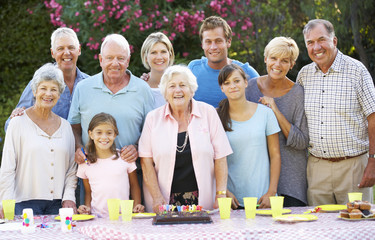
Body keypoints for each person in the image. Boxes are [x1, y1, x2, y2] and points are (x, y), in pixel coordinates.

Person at [297, 19, 375, 205]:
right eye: (310, 42)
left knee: (356, 228)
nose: (316, 47)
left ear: (334, 41)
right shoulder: (304, 75)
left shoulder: (357, 71)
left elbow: (373, 117)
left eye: (321, 39)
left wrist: (373, 161)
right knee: (318, 230)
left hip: (353, 166)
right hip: (316, 168)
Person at [139, 65, 232, 213]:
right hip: (163, 202)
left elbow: (221, 156)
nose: (178, 90)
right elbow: (146, 162)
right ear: (164, 92)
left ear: (191, 90)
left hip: (203, 200)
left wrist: (220, 195)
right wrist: (156, 197)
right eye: (172, 86)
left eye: (183, 85)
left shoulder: (208, 113)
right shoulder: (153, 119)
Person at [0, 63, 77, 218]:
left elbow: (71, 169)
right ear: (34, 91)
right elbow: (8, 167)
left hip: (58, 205)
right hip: (22, 206)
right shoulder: (17, 123)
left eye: (54, 89)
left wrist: (69, 197)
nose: (48, 94)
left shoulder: (66, 127)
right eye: (43, 88)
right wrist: (5, 202)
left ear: (59, 94)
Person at [68, 33, 154, 164]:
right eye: (109, 58)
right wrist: (78, 147)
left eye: (120, 58)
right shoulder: (83, 88)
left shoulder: (143, 89)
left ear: (128, 61)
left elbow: (151, 130)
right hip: (91, 171)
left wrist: (137, 147)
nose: (115, 63)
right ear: (101, 60)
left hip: (131, 172)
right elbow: (74, 127)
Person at [246, 37, 309, 207]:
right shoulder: (249, 88)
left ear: (292, 64)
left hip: (290, 182)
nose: (277, 65)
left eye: (284, 61)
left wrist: (275, 109)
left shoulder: (298, 94)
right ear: (266, 58)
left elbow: (302, 141)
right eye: (273, 58)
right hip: (255, 180)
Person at [217, 64, 281, 209]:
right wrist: (224, 192)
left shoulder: (266, 113)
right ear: (222, 88)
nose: (232, 86)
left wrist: (271, 192)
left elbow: (275, 155)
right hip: (232, 201)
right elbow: (212, 160)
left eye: (236, 81)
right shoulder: (217, 117)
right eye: (227, 83)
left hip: (263, 200)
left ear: (246, 83)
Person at [4, 27, 89, 131]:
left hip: (80, 147)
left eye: (71, 47)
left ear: (79, 50)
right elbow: (10, 126)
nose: (66, 53)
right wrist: (16, 118)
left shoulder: (89, 84)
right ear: (52, 53)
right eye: (60, 48)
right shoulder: (39, 83)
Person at [77, 113, 144, 218]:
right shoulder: (85, 163)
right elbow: (88, 192)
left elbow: (134, 186)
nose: (104, 137)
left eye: (109, 133)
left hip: (123, 217)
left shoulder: (125, 158)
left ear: (115, 134)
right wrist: (87, 208)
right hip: (97, 218)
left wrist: (137, 205)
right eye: (99, 132)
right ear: (91, 134)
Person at [188, 16, 259, 108]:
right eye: (208, 42)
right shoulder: (193, 69)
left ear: (228, 42)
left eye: (218, 41)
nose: (213, 47)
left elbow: (262, 108)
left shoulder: (247, 72)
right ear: (202, 45)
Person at [140, 32, 175, 108]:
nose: (159, 57)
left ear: (170, 54)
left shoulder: (180, 84)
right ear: (146, 57)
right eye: (153, 52)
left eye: (163, 52)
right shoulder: (140, 87)